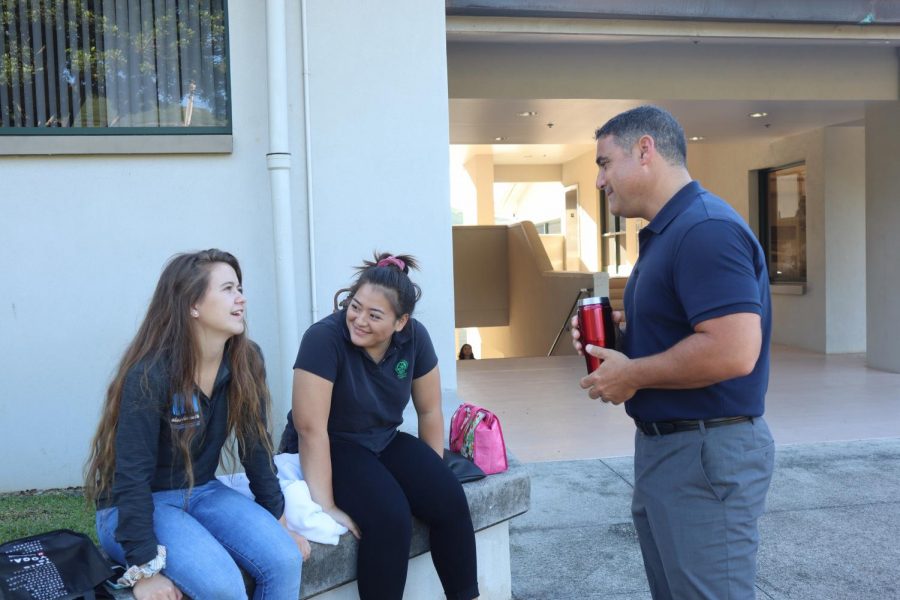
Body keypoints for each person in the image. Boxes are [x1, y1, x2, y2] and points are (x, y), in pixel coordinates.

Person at [571, 106, 775, 600]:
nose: (600, 180)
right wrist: (626, 340)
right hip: (675, 451)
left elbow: (733, 350)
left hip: (703, 456)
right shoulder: (673, 230)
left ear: (645, 151)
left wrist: (633, 373)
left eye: (604, 163)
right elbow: (693, 328)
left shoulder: (704, 229)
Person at [85, 249, 308, 600]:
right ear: (193, 304)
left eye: (240, 288)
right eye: (228, 289)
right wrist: (145, 570)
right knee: (222, 586)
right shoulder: (150, 373)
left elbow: (256, 447)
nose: (241, 298)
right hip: (136, 504)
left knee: (285, 559)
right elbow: (131, 476)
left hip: (201, 490)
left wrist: (277, 522)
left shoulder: (246, 359)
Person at [292, 252, 479, 600]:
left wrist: (431, 473)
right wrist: (327, 505)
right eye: (355, 306)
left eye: (374, 315)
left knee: (449, 495)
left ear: (400, 322)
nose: (359, 320)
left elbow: (429, 410)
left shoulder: (415, 338)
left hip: (384, 439)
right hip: (334, 445)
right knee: (391, 517)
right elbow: (309, 428)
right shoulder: (323, 339)